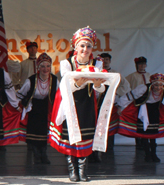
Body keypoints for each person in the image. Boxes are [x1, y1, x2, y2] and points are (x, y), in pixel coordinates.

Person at [49, 26, 106, 182]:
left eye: (88, 46)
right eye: (82, 45)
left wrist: (97, 83)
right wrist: (79, 83)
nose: (85, 49)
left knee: (86, 136)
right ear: (75, 46)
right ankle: (72, 169)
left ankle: (82, 170)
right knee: (70, 136)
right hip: (70, 103)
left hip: (87, 103)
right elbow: (66, 86)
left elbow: (99, 89)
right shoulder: (66, 63)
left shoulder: (97, 63)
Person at [117, 73, 164, 162]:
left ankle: (153, 154)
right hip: (143, 110)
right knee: (144, 133)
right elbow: (130, 96)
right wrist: (120, 106)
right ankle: (147, 154)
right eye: (156, 85)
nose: (158, 87)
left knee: (153, 133)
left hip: (155, 110)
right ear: (152, 84)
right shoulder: (144, 88)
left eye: (160, 85)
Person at [17, 53, 59, 164]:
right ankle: (36, 155)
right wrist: (20, 106)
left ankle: (44, 155)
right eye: (43, 66)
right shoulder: (31, 80)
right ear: (38, 67)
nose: (45, 69)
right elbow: (20, 94)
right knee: (34, 131)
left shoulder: (54, 80)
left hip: (47, 107)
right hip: (34, 108)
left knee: (45, 132)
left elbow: (60, 96)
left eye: (48, 66)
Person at [97, 53, 131, 152]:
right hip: (98, 103)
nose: (105, 61)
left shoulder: (116, 74)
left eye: (107, 59)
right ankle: (98, 148)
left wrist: (115, 93)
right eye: (103, 60)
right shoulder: (96, 73)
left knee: (110, 125)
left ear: (110, 61)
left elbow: (126, 86)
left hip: (111, 103)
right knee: (98, 125)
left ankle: (110, 147)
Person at [125, 56, 150, 149]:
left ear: (146, 65)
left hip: (147, 102)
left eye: (143, 64)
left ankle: (146, 140)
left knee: (146, 120)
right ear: (137, 65)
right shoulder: (132, 76)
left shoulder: (149, 76)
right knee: (137, 121)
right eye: (140, 64)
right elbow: (125, 85)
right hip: (137, 101)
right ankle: (138, 142)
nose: (142, 66)